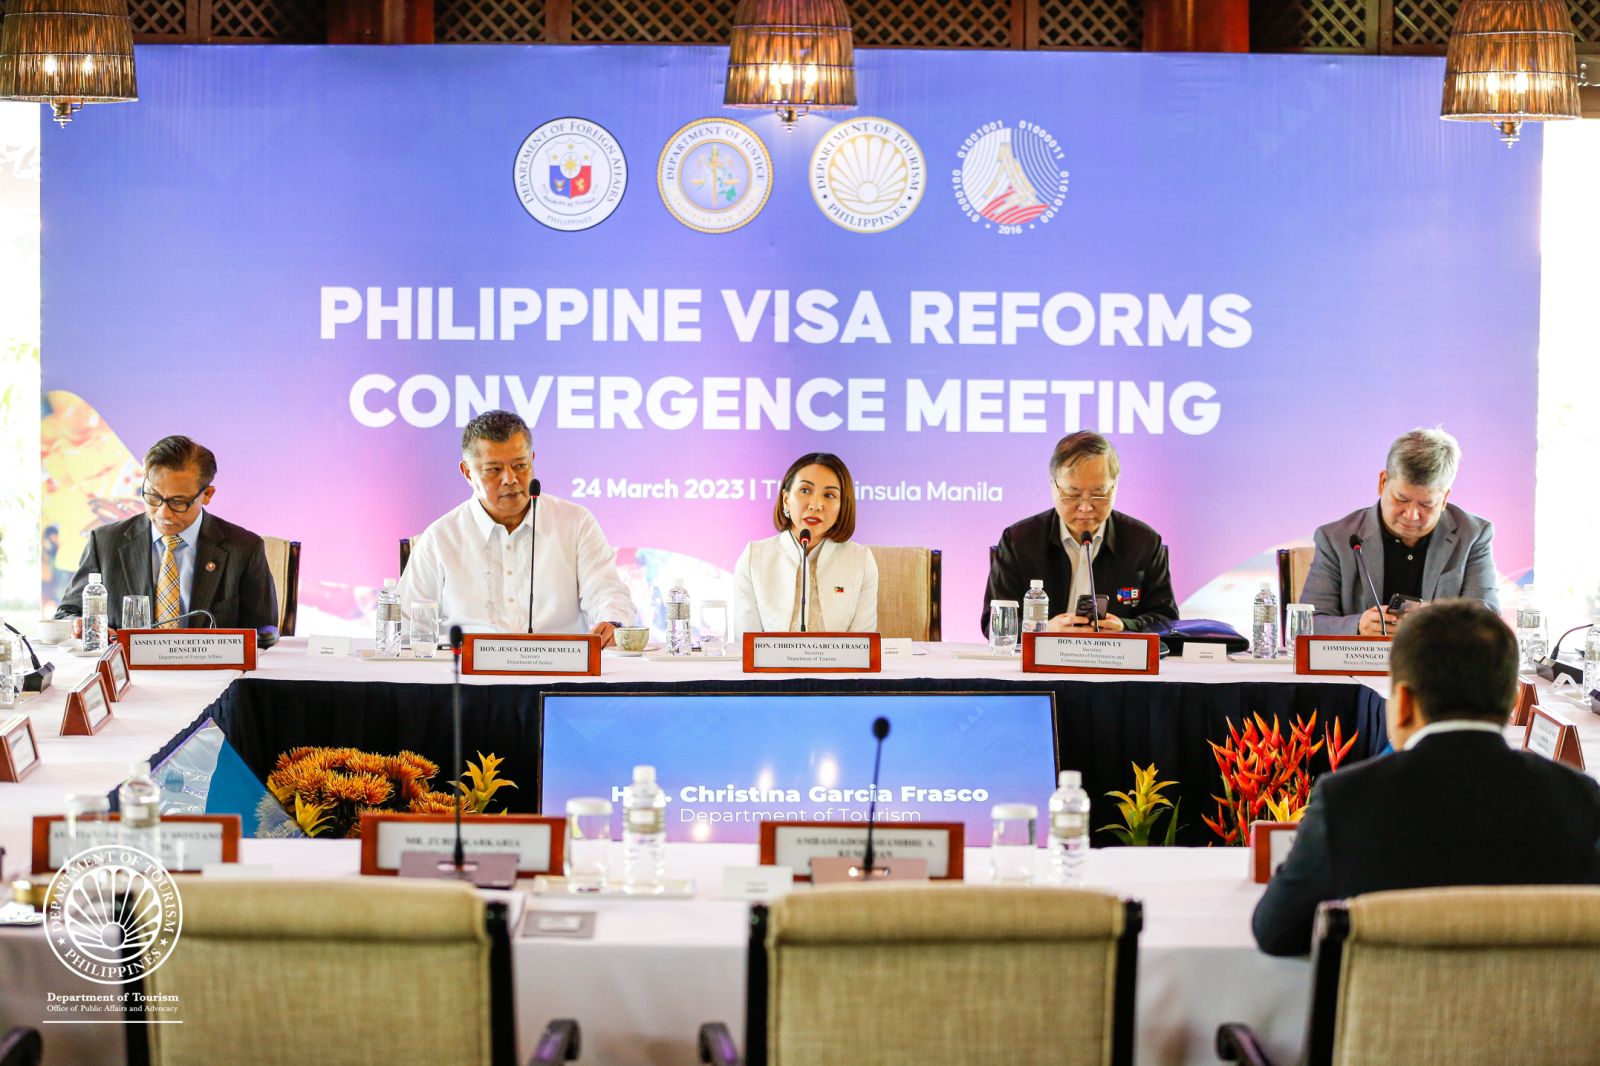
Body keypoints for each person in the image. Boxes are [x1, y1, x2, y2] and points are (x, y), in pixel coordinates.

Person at [1251, 600, 1600, 957]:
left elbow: (1275, 932)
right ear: (1513, 702)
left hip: (1387, 1011)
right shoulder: (1578, 797)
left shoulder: (1348, 799)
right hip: (1538, 1012)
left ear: (1402, 702)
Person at [397, 410, 635, 644]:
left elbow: (607, 591)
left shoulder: (575, 523)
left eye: (520, 466)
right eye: (494, 470)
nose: (510, 479)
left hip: (560, 674)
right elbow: (407, 625)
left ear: (532, 460)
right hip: (469, 677)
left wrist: (613, 623)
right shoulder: (440, 538)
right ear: (467, 472)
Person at [57, 436, 279, 633]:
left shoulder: (243, 548)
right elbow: (68, 613)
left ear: (208, 495)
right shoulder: (105, 543)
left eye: (178, 502)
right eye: (153, 496)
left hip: (212, 677)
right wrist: (81, 626)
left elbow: (264, 634)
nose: (163, 513)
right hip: (130, 676)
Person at [1302, 428, 1498, 635]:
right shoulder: (1336, 539)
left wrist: (1437, 621)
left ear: (1445, 499)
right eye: (1401, 499)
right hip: (1356, 665)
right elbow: (1309, 624)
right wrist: (1358, 626)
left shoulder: (1473, 535)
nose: (1412, 514)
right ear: (1382, 482)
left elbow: (1487, 620)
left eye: (1426, 504)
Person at [982, 431, 1176, 635]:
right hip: (1042, 664)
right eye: (1072, 494)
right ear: (1053, 486)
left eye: (1099, 494)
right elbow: (994, 624)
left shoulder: (1143, 543)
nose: (1085, 507)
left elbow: (1167, 621)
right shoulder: (1019, 541)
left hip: (1114, 663)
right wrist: (1043, 629)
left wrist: (1125, 627)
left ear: (1115, 487)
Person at [733, 453, 878, 634]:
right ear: (786, 499)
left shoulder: (861, 560)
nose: (816, 505)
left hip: (840, 664)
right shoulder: (754, 557)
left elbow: (863, 647)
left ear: (842, 506)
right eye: (805, 491)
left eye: (829, 495)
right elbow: (746, 645)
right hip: (771, 664)